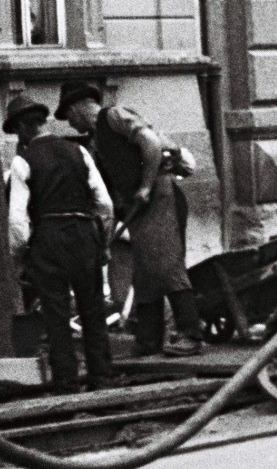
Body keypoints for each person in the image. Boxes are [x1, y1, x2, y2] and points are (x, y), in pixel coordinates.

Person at [57, 82, 203, 356]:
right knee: (146, 273)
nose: (70, 124)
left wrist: (146, 186)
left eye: (69, 117)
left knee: (166, 266)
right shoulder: (96, 138)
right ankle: (148, 340)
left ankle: (191, 334)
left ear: (77, 107)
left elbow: (150, 142)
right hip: (140, 205)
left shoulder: (114, 116)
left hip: (159, 195)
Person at [6, 91, 118, 392]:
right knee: (93, 309)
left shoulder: (22, 162)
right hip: (84, 235)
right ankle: (102, 376)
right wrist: (103, 242)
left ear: (22, 128)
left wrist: (21, 256)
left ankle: (66, 382)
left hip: (49, 239)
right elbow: (105, 205)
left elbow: (17, 221)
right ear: (44, 122)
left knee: (56, 314)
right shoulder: (79, 152)